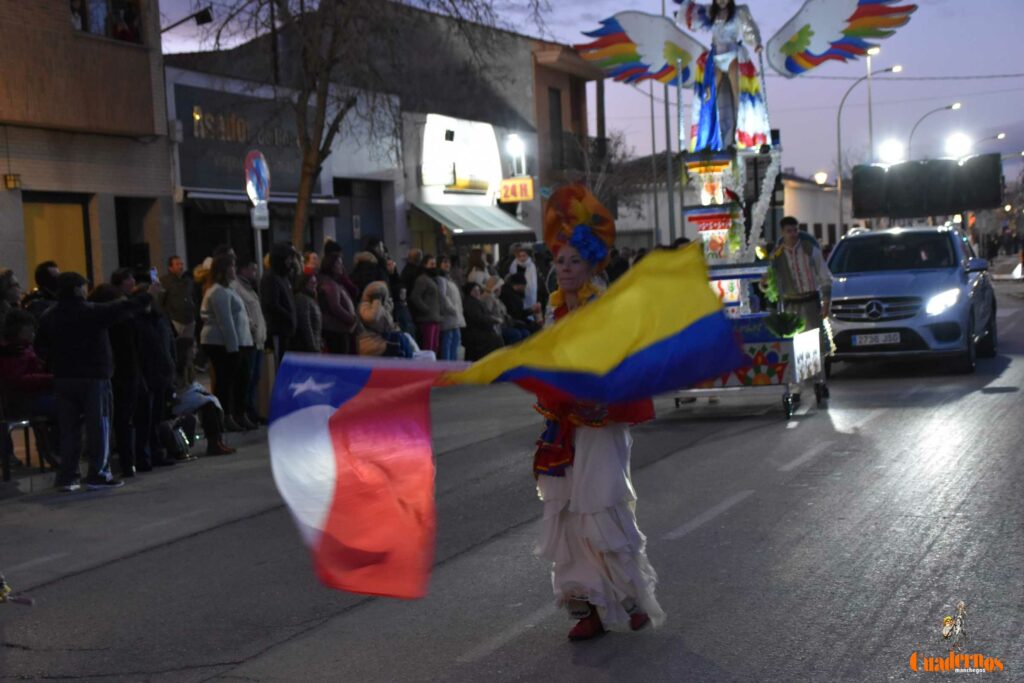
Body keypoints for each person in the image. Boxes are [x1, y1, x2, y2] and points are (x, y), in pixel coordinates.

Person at [534, 184, 664, 640]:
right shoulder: (554, 315)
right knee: (567, 515)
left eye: (574, 261)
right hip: (563, 430)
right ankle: (586, 608)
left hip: (600, 426)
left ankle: (631, 599)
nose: (565, 269)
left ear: (590, 266)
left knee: (599, 508)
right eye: (560, 261)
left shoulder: (604, 310)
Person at [35, 272, 151, 491]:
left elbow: (40, 347)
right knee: (99, 425)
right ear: (78, 289)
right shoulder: (90, 312)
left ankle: (67, 476)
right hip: (93, 376)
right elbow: (120, 309)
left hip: (63, 377)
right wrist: (147, 296)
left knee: (69, 429)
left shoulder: (49, 316)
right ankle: (98, 473)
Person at [677, 0, 770, 152]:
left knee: (738, 97)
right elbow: (691, 18)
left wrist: (756, 43)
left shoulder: (740, 11)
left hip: (733, 55)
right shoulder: (708, 12)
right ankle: (707, 139)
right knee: (708, 98)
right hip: (716, 57)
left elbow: (750, 28)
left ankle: (741, 137)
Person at [200, 254, 254, 432]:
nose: (234, 270)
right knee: (225, 382)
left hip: (237, 342)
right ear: (223, 270)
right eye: (231, 266)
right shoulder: (218, 292)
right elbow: (226, 322)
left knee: (240, 380)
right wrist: (233, 349)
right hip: (221, 344)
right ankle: (226, 416)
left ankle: (239, 413)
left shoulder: (228, 289)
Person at [0, 310, 59, 467]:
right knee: (67, 407)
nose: (33, 332)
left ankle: (54, 450)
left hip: (30, 395)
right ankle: (55, 450)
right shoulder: (14, 351)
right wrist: (50, 379)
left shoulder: (24, 347)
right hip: (23, 399)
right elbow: (17, 380)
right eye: (30, 329)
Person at [132, 279, 177, 468]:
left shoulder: (159, 318)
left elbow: (169, 344)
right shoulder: (137, 321)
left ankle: (156, 452)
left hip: (161, 373)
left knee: (157, 417)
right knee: (146, 419)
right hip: (147, 375)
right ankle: (145, 456)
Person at [767, 216, 833, 331]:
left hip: (811, 302)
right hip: (790, 305)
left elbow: (824, 275)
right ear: (782, 232)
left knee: (817, 339)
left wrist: (826, 303)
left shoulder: (810, 249)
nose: (793, 234)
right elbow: (770, 282)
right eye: (789, 231)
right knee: (794, 339)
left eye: (795, 230)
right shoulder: (777, 255)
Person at [172, 337, 234, 456]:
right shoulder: (177, 368)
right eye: (193, 348)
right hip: (178, 401)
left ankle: (217, 440)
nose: (195, 351)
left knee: (210, 402)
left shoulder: (190, 367)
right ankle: (214, 443)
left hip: (187, 399)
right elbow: (179, 389)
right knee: (208, 404)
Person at [231, 261, 268, 424]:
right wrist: (252, 327)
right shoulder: (237, 287)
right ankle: (244, 412)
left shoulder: (250, 287)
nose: (255, 272)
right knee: (247, 378)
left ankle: (251, 411)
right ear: (243, 269)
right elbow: (242, 311)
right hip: (249, 339)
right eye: (252, 268)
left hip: (258, 339)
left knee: (254, 378)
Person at [261, 243, 298, 366]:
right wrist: (288, 315)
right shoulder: (270, 278)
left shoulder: (284, 277)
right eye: (288, 259)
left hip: (287, 331)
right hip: (278, 330)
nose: (290, 262)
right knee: (278, 364)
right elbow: (271, 304)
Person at [357, 281, 415, 357]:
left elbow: (389, 325)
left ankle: (410, 360)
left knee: (401, 338)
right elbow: (373, 318)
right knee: (398, 344)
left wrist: (388, 308)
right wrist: (377, 300)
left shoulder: (379, 307)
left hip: (379, 340)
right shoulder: (364, 306)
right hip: (370, 343)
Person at [318, 252, 358, 355]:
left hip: (339, 329)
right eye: (339, 263)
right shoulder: (329, 283)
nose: (342, 266)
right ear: (332, 266)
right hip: (336, 330)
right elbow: (335, 306)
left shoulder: (333, 282)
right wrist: (351, 319)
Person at [460, 282, 503, 361]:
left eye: (478, 290)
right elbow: (478, 318)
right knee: (496, 339)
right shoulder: (470, 303)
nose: (477, 292)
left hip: (480, 329)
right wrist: (493, 320)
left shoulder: (476, 302)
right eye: (475, 290)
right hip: (474, 332)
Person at [409, 254, 442, 354]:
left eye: (435, 264)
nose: (434, 266)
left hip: (435, 318)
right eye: (431, 264)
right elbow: (415, 297)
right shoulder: (422, 279)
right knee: (429, 347)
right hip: (427, 319)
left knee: (435, 347)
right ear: (425, 265)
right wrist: (427, 309)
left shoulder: (432, 279)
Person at [159, 255, 196, 338]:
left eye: (181, 264)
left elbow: (193, 296)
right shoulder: (165, 281)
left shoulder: (187, 280)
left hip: (190, 320)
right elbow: (160, 301)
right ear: (170, 268)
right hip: (176, 320)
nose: (181, 266)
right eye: (177, 264)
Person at [436, 255, 465, 361]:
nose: (447, 264)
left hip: (455, 316)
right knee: (447, 343)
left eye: (448, 262)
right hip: (448, 316)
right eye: (444, 262)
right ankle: (447, 366)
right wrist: (452, 309)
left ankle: (454, 365)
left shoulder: (450, 279)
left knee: (455, 342)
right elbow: (443, 297)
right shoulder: (440, 279)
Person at [292, 272, 323, 353]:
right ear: (304, 283)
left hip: (313, 343)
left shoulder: (311, 299)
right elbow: (306, 324)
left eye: (315, 283)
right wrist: (312, 346)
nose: (315, 285)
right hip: (306, 347)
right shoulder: (302, 298)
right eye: (311, 283)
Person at [506, 244, 539, 311]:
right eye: (519, 256)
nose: (522, 258)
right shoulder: (513, 265)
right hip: (516, 292)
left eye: (524, 256)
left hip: (528, 292)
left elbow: (533, 282)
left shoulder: (531, 266)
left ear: (527, 255)